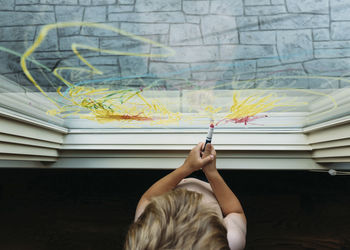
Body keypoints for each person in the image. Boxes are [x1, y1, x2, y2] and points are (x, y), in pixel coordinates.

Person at [124, 142, 247, 250]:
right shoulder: (231, 240)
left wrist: (186, 168)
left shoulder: (144, 236)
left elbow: (148, 199)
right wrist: (212, 173)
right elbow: (235, 212)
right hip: (215, 187)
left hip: (171, 181)